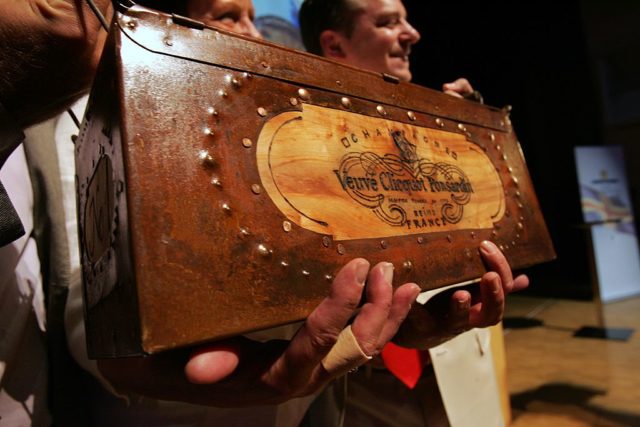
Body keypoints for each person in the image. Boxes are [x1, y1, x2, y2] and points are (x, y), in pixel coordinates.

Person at [298, 0, 527, 425]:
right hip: (360, 378)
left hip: (454, 358)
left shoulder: (435, 126)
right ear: (334, 43)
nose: (413, 33)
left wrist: (475, 128)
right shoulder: (296, 135)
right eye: (388, 22)